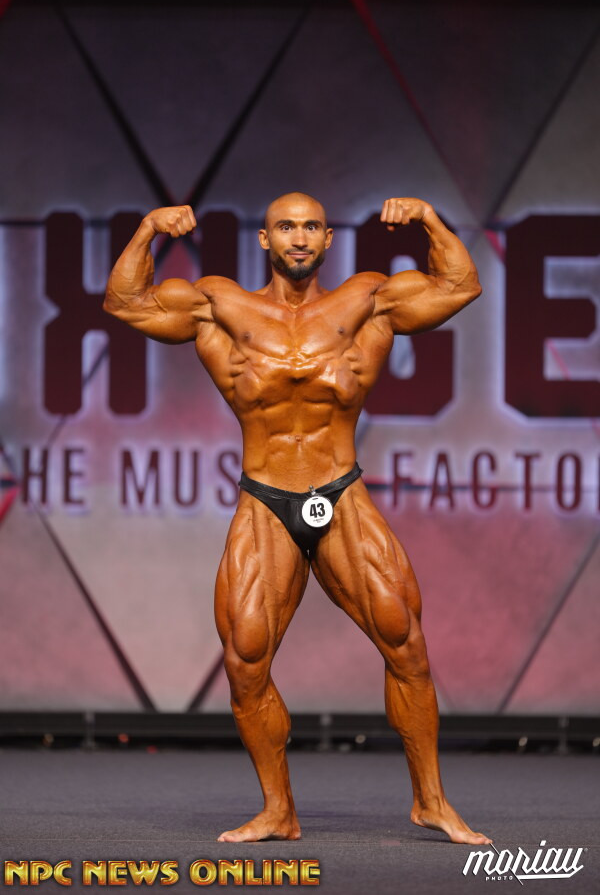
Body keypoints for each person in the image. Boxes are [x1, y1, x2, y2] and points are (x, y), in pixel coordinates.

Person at [104, 193, 491, 846]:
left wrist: (428, 219)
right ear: (266, 240)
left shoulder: (367, 302)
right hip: (265, 498)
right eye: (286, 227)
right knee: (246, 657)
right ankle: (278, 811)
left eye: (312, 226)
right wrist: (146, 230)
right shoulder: (221, 306)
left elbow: (460, 285)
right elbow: (126, 302)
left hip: (340, 492)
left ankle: (431, 801)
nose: (300, 237)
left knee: (405, 642)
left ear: (328, 238)